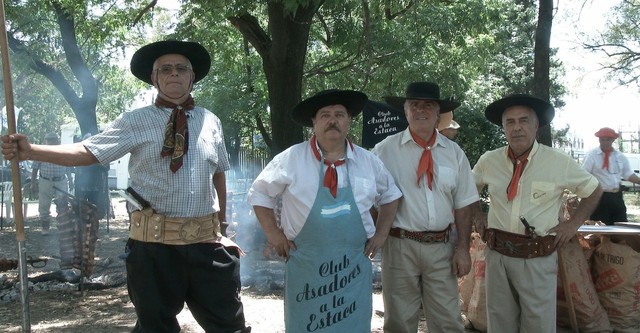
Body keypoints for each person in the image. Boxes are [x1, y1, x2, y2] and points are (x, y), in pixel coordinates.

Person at [1, 40, 251, 333]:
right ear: (153, 78)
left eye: (182, 68)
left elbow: (218, 172)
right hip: (154, 248)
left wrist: (221, 224)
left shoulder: (211, 121)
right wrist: (31, 152)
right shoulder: (135, 121)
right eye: (165, 69)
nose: (174, 74)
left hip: (208, 247)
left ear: (192, 77)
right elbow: (88, 151)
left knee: (230, 328)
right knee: (154, 328)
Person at [248, 89, 402, 332]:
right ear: (314, 122)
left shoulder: (368, 161)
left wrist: (381, 233)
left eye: (339, 114)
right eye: (325, 115)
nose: (333, 120)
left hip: (352, 267)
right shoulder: (292, 159)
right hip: (306, 267)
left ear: (348, 121)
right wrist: (273, 233)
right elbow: (259, 193)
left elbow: (391, 195)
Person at [471, 93, 603, 333]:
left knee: (538, 325)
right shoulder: (489, 161)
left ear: (536, 126)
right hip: (497, 254)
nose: (517, 127)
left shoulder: (557, 162)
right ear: (503, 127)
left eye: (523, 120)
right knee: (499, 323)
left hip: (537, 256)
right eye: (510, 122)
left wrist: (572, 225)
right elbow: (468, 189)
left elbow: (594, 190)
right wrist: (478, 216)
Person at [372, 81, 479, 333]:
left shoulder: (454, 153)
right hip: (399, 246)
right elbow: (366, 196)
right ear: (406, 111)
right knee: (399, 322)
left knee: (448, 322)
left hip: (442, 248)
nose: (421, 110)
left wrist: (462, 248)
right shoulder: (384, 151)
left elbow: (464, 204)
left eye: (428, 105)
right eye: (415, 105)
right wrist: (378, 234)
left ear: (438, 113)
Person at [582, 127, 640, 225]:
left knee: (621, 226)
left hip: (616, 196)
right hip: (599, 198)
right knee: (601, 229)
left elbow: (627, 174)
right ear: (599, 140)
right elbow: (584, 175)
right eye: (602, 139)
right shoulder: (592, 156)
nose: (604, 142)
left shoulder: (619, 156)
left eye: (607, 139)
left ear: (613, 140)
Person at [30, 132, 74, 235]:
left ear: (57, 141)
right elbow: (34, 169)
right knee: (44, 205)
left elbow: (68, 167)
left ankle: (63, 228)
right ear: (46, 141)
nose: (51, 142)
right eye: (49, 140)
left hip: (61, 180)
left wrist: (70, 181)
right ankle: (45, 228)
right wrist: (33, 182)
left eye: (53, 140)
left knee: (63, 204)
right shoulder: (40, 153)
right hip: (45, 180)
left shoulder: (63, 152)